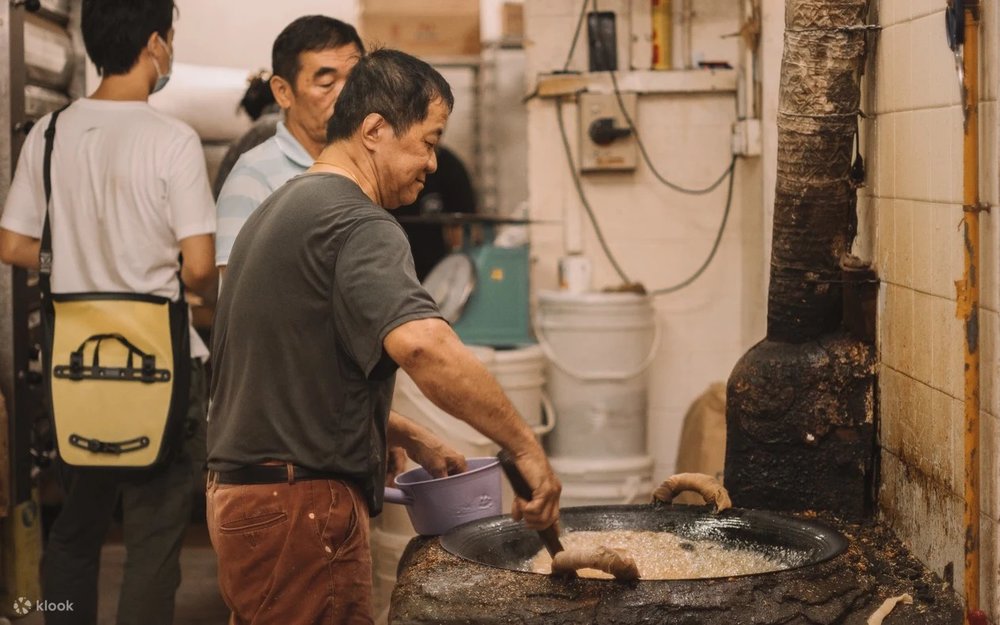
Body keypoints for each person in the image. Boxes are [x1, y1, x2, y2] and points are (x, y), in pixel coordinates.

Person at [205, 49, 560, 625]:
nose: (434, 163)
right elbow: (423, 345)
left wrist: (402, 432)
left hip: (249, 501)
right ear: (374, 131)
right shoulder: (359, 221)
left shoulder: (280, 209)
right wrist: (525, 447)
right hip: (298, 509)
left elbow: (279, 373)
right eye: (428, 141)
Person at [0, 1, 216, 624]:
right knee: (152, 544)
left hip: (75, 369)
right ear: (154, 43)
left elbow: (12, 244)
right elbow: (199, 266)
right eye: (170, 36)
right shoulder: (173, 139)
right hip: (160, 366)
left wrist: (69, 259)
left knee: (75, 532)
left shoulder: (49, 134)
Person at [214, 15, 363, 271]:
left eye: (355, 81)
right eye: (326, 84)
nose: (345, 96)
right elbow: (236, 289)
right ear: (283, 92)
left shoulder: (366, 165)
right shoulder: (252, 179)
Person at [393, 144, 477, 280]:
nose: (432, 164)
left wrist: (455, 273)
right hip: (392, 264)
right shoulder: (389, 166)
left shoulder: (449, 166)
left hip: (434, 270)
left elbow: (462, 227)